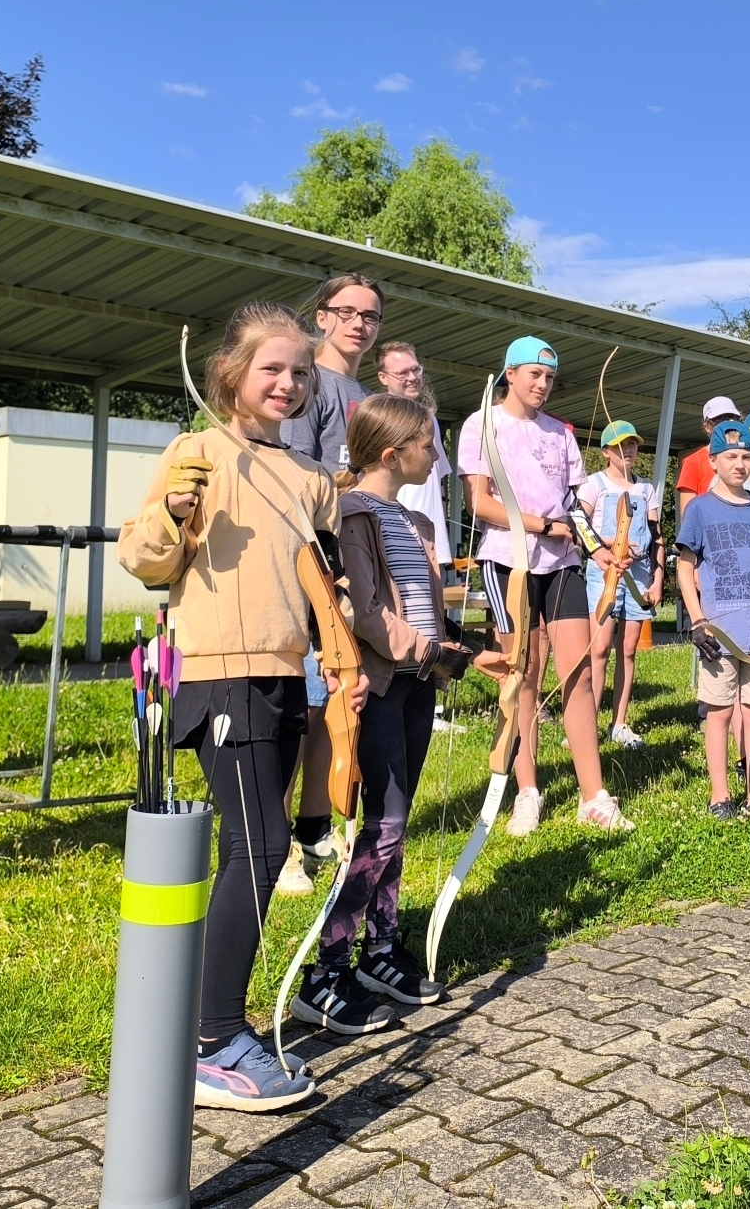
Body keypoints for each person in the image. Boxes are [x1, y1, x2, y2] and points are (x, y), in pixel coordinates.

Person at [118, 301, 373, 1109]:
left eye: (301, 372)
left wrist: (350, 655)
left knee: (260, 847)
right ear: (230, 374)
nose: (289, 382)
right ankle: (211, 1037)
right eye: (272, 368)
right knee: (260, 846)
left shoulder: (310, 479)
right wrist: (172, 512)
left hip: (286, 677)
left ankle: (209, 1025)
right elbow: (145, 559)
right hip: (217, 672)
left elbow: (327, 584)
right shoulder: (197, 451)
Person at [294, 395, 483, 1029]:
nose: (437, 455)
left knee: (393, 824)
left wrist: (461, 648)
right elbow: (362, 613)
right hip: (378, 687)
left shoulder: (414, 523)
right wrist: (432, 650)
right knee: (384, 823)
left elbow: (423, 606)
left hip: (415, 685)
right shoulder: (352, 516)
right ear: (391, 453)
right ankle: (327, 966)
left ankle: (380, 945)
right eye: (429, 444)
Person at [456, 336, 633, 835]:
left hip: (563, 564)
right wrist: (541, 526)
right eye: (534, 374)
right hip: (507, 562)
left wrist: (599, 545)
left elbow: (575, 507)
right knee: (524, 676)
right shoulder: (482, 424)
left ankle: (593, 795)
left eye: (550, 378)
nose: (542, 384)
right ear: (509, 373)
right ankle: (527, 790)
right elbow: (481, 504)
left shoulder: (560, 433)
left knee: (576, 673)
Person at [278, 273, 384, 896]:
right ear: (322, 317)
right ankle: (278, 840)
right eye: (347, 313)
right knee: (301, 706)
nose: (359, 325)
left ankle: (312, 826)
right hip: (307, 561)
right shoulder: (307, 383)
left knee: (334, 701)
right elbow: (290, 473)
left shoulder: (361, 392)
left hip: (346, 560)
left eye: (370, 316)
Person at [675, 420, 750, 818]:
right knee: (719, 712)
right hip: (718, 632)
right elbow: (685, 569)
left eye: (746, 455)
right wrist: (697, 620)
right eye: (730, 457)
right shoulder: (700, 510)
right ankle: (720, 795)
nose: (740, 464)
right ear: (713, 461)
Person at [577, 420, 662, 748]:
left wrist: (656, 578)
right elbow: (579, 523)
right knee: (598, 649)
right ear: (606, 452)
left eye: (633, 444)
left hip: (639, 574)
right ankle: (587, 723)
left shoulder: (646, 488)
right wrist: (608, 544)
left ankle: (619, 723)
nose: (627, 451)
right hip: (605, 573)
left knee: (628, 650)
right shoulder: (593, 485)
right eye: (620, 446)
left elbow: (656, 536)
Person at [370, 341, 452, 567]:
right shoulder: (378, 418)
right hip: (395, 535)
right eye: (402, 372)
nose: (413, 377)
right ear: (383, 377)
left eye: (416, 369)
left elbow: (439, 480)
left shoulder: (429, 417)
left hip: (433, 539)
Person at [674, 396, 741, 526]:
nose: (726, 423)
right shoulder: (692, 461)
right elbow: (688, 514)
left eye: (731, 418)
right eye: (719, 419)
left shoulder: (746, 458)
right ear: (707, 427)